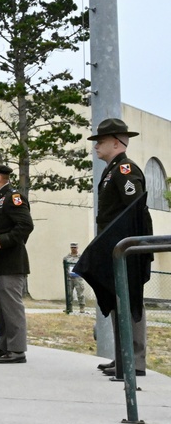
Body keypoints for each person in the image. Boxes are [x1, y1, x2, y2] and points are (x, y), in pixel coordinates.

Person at [88, 118, 151, 378]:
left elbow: (133, 206)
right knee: (117, 300)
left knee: (129, 300)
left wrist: (128, 246)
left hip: (127, 247)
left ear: (117, 142)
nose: (96, 146)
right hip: (114, 245)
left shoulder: (125, 169)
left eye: (100, 142)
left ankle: (134, 361)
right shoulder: (112, 170)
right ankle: (123, 357)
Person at [0, 160, 34, 364]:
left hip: (10, 263)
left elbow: (25, 225)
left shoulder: (14, 198)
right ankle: (4, 347)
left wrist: (3, 240)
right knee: (0, 309)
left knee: (11, 308)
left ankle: (17, 350)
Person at [64, 242, 86, 314]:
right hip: (69, 278)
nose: (73, 249)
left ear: (77, 248)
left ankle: (82, 307)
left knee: (80, 293)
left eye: (75, 247)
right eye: (72, 247)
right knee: (69, 293)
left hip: (78, 277)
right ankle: (69, 308)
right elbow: (65, 267)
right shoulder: (67, 258)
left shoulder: (81, 257)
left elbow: (84, 266)